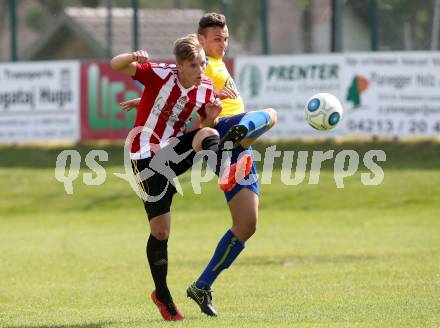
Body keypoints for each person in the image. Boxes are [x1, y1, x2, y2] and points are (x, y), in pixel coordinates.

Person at [120, 14, 277, 317]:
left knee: (247, 224)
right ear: (200, 40)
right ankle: (163, 293)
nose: (223, 42)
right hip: (157, 154)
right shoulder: (189, 68)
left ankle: (200, 286)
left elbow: (191, 105)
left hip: (213, 141)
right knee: (160, 231)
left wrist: (209, 113)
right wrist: (143, 97)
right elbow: (170, 87)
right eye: (217, 37)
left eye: (226, 37)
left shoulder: (209, 73)